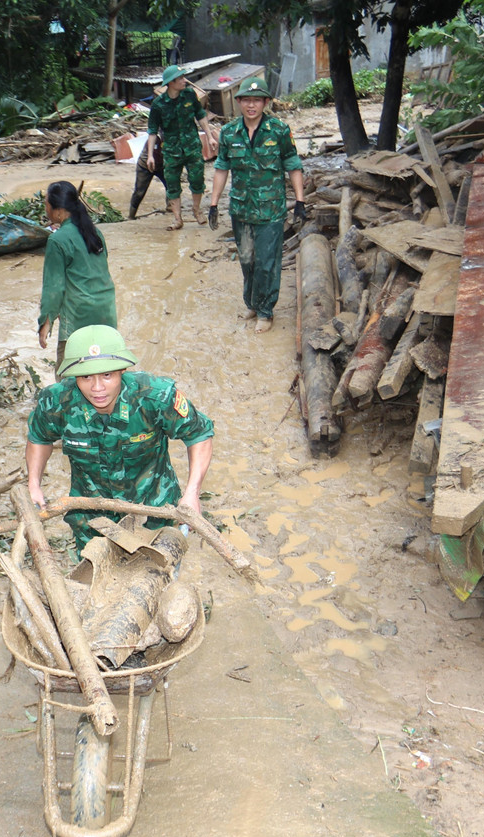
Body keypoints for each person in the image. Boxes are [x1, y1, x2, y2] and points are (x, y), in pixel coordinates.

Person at [26, 324, 214, 552]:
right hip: (92, 517)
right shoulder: (56, 402)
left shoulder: (155, 397)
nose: (97, 388)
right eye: (85, 377)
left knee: (160, 573)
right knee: (92, 575)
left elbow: (199, 434)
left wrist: (192, 493)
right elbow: (39, 437)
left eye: (107, 375)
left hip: (154, 511)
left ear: (122, 370)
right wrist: (34, 484)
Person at [206, 77, 307, 335]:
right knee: (247, 260)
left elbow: (293, 165)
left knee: (267, 262)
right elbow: (221, 168)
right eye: (247, 100)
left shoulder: (279, 130)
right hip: (241, 209)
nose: (251, 105)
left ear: (265, 102)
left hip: (271, 210)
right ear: (239, 102)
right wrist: (214, 204)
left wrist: (300, 201)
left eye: (257, 100)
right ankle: (251, 303)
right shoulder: (229, 133)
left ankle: (265, 311)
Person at [38, 180, 118, 375]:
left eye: (47, 203)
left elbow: (54, 287)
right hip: (106, 311)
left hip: (78, 316)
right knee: (104, 370)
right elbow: (95, 270)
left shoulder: (57, 240)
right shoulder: (95, 232)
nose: (45, 208)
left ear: (58, 211)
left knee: (67, 378)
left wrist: (45, 323)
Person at [146, 65, 215, 230]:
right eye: (181, 78)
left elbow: (201, 116)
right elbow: (152, 131)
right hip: (171, 151)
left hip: (192, 147)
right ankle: (177, 219)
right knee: (172, 185)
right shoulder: (158, 104)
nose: (185, 80)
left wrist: (210, 137)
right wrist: (150, 155)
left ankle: (196, 210)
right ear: (171, 83)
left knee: (197, 179)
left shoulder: (190, 95)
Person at [128, 132, 166, 219]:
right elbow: (157, 153)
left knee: (171, 187)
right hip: (145, 165)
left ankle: (170, 209)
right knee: (139, 192)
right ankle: (131, 215)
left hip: (161, 165)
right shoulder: (155, 139)